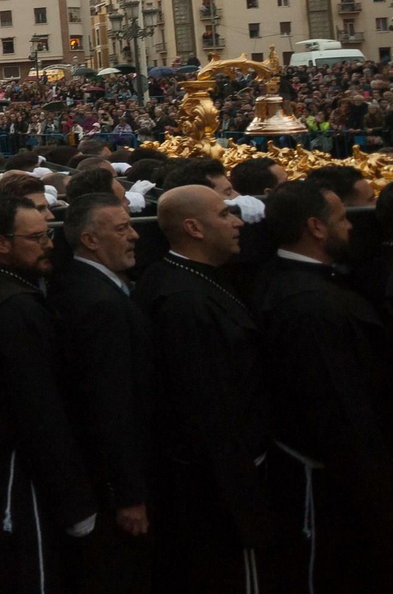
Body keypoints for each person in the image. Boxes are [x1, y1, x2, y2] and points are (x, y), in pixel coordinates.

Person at [249, 181, 393, 591]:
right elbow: (340, 408)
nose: (351, 227)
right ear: (315, 227)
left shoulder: (295, 282)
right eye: (342, 219)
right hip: (337, 487)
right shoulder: (310, 307)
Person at [135, 185, 270, 593]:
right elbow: (206, 405)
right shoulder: (184, 302)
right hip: (213, 489)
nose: (237, 222)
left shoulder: (188, 278)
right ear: (194, 228)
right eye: (224, 214)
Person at [0, 194, 96, 591]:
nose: (48, 245)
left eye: (48, 235)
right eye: (36, 238)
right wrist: (73, 496)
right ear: (1, 243)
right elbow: (39, 406)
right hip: (21, 471)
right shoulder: (15, 307)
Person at [48, 194, 154, 594]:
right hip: (111, 487)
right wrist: (128, 494)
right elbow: (110, 405)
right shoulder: (99, 304)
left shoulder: (83, 284)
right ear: (91, 240)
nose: (134, 236)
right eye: (122, 228)